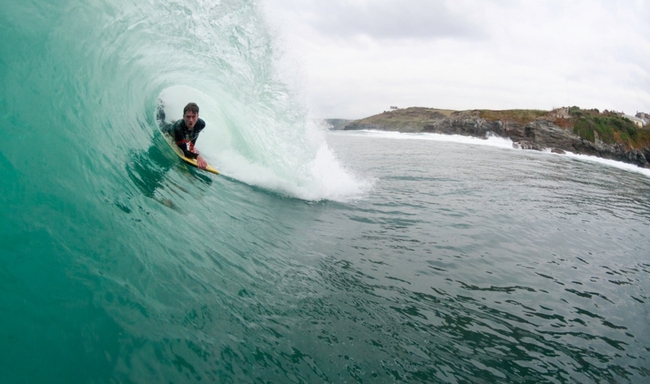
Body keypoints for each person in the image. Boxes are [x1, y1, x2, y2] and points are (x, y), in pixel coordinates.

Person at [168, 102, 208, 169]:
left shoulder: (201, 124)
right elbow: (183, 148)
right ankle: (161, 106)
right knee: (162, 121)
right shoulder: (178, 128)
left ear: (198, 116)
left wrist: (193, 150)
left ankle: (174, 121)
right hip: (169, 130)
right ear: (183, 117)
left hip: (183, 132)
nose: (191, 120)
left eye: (193, 117)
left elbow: (194, 136)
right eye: (188, 117)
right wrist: (197, 155)